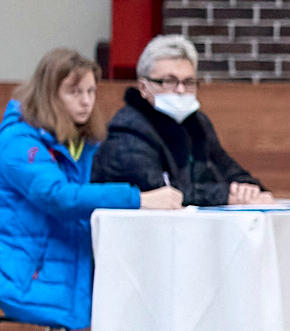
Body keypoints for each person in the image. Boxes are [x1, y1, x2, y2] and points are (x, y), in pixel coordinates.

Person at [0, 49, 182, 331]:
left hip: (72, 263)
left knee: (147, 302)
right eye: (74, 92)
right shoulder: (19, 142)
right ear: (50, 94)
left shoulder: (83, 141)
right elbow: (58, 197)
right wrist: (138, 199)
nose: (85, 101)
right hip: (23, 274)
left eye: (90, 91)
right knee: (120, 314)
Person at [93, 34, 273, 206]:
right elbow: (159, 194)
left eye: (188, 82)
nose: (180, 90)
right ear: (143, 87)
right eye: (169, 81)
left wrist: (249, 189)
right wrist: (226, 195)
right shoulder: (128, 129)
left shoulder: (198, 123)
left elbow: (226, 167)